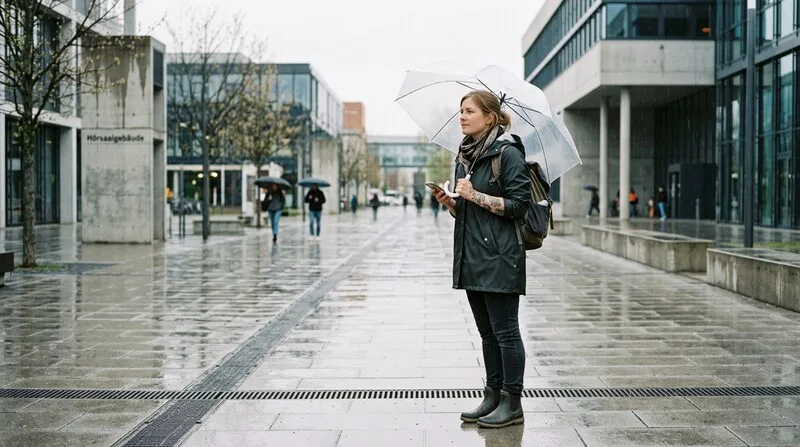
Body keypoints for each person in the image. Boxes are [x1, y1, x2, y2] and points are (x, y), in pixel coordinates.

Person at [433, 90, 530, 429]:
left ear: (489, 117)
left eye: (469, 111)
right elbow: (467, 212)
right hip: (472, 255)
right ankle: (492, 395)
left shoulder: (508, 154)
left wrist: (474, 194)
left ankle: (512, 402)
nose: (462, 116)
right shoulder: (465, 156)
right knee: (487, 332)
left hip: (501, 256)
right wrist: (451, 202)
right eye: (460, 110)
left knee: (506, 332)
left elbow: (519, 206)